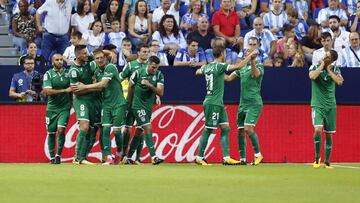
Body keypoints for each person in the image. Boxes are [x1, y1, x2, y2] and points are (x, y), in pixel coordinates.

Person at [194, 45, 250, 166]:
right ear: (223, 54)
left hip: (217, 103)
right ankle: (199, 157)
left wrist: (202, 69)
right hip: (213, 102)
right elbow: (239, 66)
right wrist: (250, 57)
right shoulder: (220, 66)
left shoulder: (208, 67)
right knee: (209, 129)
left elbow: (197, 72)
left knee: (226, 128)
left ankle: (226, 157)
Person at [73, 49, 127, 165]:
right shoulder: (97, 71)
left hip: (118, 103)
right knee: (105, 130)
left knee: (117, 132)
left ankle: (119, 152)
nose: (99, 60)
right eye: (97, 58)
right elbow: (99, 88)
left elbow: (102, 84)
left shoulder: (110, 67)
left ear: (105, 57)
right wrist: (84, 88)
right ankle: (107, 156)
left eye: (101, 57)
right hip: (106, 104)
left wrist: (84, 87)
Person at [225, 48, 264, 165]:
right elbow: (228, 78)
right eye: (247, 51)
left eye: (252, 50)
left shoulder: (259, 65)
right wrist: (214, 72)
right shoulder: (241, 68)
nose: (249, 52)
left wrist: (252, 61)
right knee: (240, 131)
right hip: (242, 104)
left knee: (248, 128)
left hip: (254, 103)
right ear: (245, 54)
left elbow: (255, 74)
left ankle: (258, 155)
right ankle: (242, 159)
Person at [127, 55, 165, 165]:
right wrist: (129, 103)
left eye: (157, 67)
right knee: (148, 127)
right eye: (153, 67)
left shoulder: (159, 75)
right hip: (137, 105)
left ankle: (128, 157)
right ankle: (154, 156)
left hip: (148, 107)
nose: (155, 69)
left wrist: (149, 85)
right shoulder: (138, 73)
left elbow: (160, 92)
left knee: (139, 131)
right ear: (148, 64)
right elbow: (130, 87)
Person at [309, 50, 344, 169]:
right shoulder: (315, 66)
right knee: (318, 130)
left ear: (333, 60)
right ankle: (317, 158)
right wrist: (322, 66)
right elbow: (312, 76)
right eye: (325, 55)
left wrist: (329, 70)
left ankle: (327, 161)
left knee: (329, 135)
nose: (325, 57)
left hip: (330, 106)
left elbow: (340, 82)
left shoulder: (335, 70)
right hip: (317, 105)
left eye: (328, 57)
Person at [120, 44, 151, 164]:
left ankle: (137, 157)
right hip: (130, 101)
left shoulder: (150, 67)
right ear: (138, 52)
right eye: (143, 51)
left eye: (147, 52)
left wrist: (157, 96)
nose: (146, 54)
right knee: (127, 129)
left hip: (143, 103)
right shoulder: (131, 65)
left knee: (141, 128)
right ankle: (123, 154)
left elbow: (155, 81)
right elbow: (120, 78)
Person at [69, 45, 97, 165]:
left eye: (87, 52)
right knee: (84, 126)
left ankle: (82, 157)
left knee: (92, 129)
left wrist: (86, 87)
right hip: (81, 100)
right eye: (84, 53)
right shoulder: (73, 71)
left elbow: (106, 53)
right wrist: (94, 87)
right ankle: (76, 157)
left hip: (92, 100)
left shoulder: (88, 60)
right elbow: (76, 91)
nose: (87, 55)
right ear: (78, 55)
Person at [42, 54, 72, 164]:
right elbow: (47, 91)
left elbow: (73, 87)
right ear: (52, 62)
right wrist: (65, 91)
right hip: (51, 108)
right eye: (57, 60)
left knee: (61, 130)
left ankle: (58, 155)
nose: (60, 61)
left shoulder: (68, 73)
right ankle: (51, 157)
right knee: (51, 133)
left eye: (61, 59)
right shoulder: (48, 74)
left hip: (65, 108)